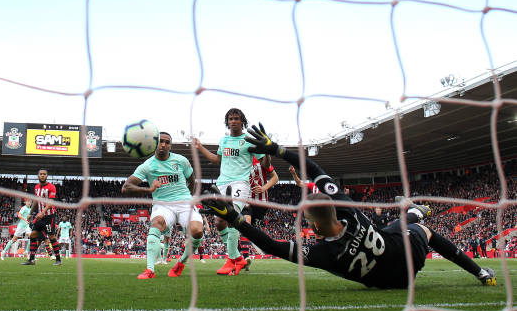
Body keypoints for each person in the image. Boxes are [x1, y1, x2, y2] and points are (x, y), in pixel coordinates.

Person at [202, 123, 496, 288]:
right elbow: (314, 168)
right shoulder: (349, 211)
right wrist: (278, 150)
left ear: (315, 225)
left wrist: (236, 220)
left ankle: (414, 213)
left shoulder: (322, 254)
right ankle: (479, 271)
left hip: (394, 281)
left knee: (402, 224)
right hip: (402, 254)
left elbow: (271, 246)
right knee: (419, 229)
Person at [194, 108, 266, 275]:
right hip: (222, 183)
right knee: (219, 222)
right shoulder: (224, 140)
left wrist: (267, 152)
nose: (233, 121)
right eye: (230, 119)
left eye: (236, 118)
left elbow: (264, 162)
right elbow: (218, 160)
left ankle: (231, 259)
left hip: (240, 183)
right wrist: (200, 147)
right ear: (227, 122)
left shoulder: (249, 141)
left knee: (232, 216)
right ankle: (238, 258)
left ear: (242, 121)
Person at [122, 132, 204, 279]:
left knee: (197, 231)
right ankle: (150, 270)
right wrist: (149, 189)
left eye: (167, 142)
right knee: (156, 224)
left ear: (170, 145)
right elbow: (126, 187)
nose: (164, 145)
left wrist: (190, 197)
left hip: (184, 202)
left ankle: (180, 263)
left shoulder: (181, 160)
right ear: (154, 144)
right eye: (160, 141)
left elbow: (192, 180)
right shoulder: (147, 166)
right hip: (163, 205)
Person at [244, 155, 279, 270]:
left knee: (250, 230)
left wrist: (264, 188)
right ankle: (245, 257)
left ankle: (241, 254)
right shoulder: (240, 160)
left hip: (261, 202)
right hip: (245, 199)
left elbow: (275, 178)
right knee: (246, 223)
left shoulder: (260, 159)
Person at [21, 169, 62, 266]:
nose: (42, 175)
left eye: (44, 174)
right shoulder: (36, 187)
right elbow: (36, 200)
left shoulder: (51, 187)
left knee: (51, 237)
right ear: (38, 175)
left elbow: (51, 202)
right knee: (33, 235)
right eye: (41, 174)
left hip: (49, 216)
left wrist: (43, 212)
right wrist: (30, 213)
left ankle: (58, 259)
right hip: (39, 216)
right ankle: (31, 260)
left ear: (47, 176)